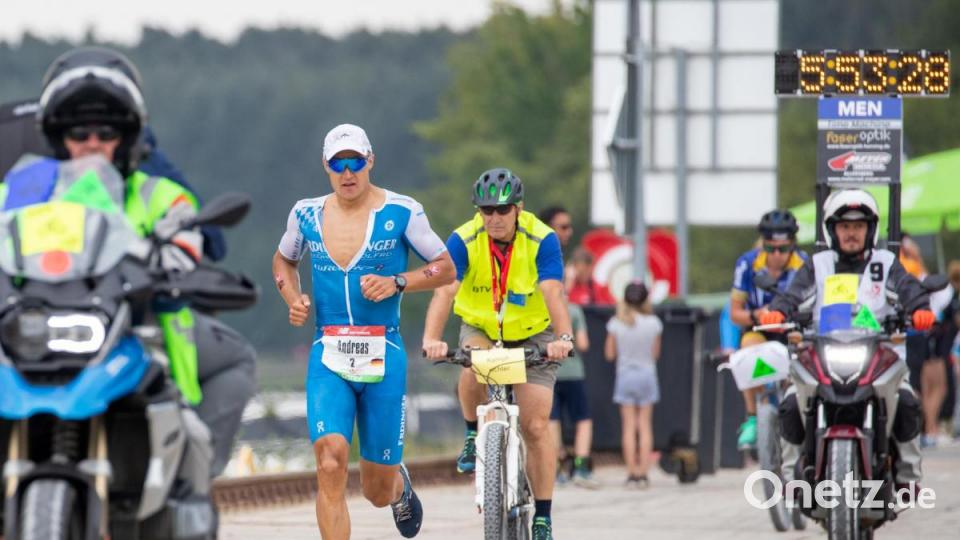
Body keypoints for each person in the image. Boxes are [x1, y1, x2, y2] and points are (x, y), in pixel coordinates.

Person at [0, 46, 256, 476]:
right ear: (59, 137)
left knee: (232, 358)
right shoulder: (23, 186)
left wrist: (175, 260)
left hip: (133, 322)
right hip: (33, 321)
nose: (92, 145)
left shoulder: (155, 189)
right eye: (80, 135)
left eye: (104, 134)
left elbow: (193, 234)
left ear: (125, 137)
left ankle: (191, 481)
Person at [273, 123, 455, 539]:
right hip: (329, 354)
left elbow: (446, 267)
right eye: (338, 163)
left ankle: (397, 486)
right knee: (331, 460)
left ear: (370, 160)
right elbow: (283, 263)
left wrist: (399, 282)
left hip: (383, 354)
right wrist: (293, 299)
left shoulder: (402, 211)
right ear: (326, 166)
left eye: (356, 161)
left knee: (375, 490)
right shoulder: (306, 214)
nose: (348, 171)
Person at [422, 168, 574, 540]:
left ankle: (542, 516)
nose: (494, 219)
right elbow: (444, 289)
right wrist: (432, 338)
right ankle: (474, 435)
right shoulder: (463, 238)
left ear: (518, 208)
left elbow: (553, 291)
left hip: (535, 332)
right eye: (487, 210)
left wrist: (564, 337)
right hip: (483, 327)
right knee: (472, 366)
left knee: (536, 424)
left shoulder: (542, 238)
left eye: (502, 210)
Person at [762, 188, 935, 488]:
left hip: (878, 354)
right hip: (822, 353)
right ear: (833, 230)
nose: (852, 233)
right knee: (790, 404)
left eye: (858, 226)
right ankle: (792, 479)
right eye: (845, 226)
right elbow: (793, 295)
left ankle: (908, 479)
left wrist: (920, 308)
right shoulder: (818, 265)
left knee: (907, 400)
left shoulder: (885, 263)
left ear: (870, 230)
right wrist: (777, 312)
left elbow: (908, 288)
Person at [728, 209, 807, 449]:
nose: (776, 255)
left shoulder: (805, 264)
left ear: (792, 244)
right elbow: (734, 313)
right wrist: (756, 314)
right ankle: (754, 415)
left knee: (804, 351)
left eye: (782, 249)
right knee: (748, 349)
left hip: (792, 327)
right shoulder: (747, 263)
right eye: (770, 248)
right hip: (759, 328)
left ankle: (800, 409)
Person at [538, 206, 597, 488]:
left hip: (547, 368)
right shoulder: (573, 309)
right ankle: (580, 466)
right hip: (571, 370)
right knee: (581, 416)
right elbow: (582, 343)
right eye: (562, 227)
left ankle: (557, 463)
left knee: (552, 419)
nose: (568, 233)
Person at [604, 282, 661, 488]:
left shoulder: (616, 323)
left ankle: (631, 473)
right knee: (644, 426)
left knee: (628, 427)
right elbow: (655, 353)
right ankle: (644, 473)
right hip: (647, 374)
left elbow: (609, 354)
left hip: (625, 375)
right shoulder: (654, 322)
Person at [900, 233, 951, 448]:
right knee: (931, 387)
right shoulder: (905, 266)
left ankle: (928, 429)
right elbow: (922, 285)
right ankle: (928, 429)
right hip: (921, 334)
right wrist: (916, 257)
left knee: (928, 387)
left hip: (919, 333)